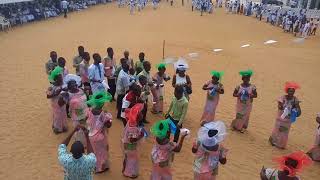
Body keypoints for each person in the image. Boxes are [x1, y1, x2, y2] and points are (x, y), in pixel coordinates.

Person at [86, 91, 113, 173]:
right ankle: (100, 168)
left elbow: (87, 120)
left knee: (95, 152)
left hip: (91, 135)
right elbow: (108, 125)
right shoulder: (104, 114)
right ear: (102, 103)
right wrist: (109, 120)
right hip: (100, 136)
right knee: (102, 152)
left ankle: (95, 166)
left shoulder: (90, 110)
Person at [269, 82, 301, 149]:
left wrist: (296, 111)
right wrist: (283, 107)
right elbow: (279, 106)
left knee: (284, 132)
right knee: (277, 130)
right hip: (280, 118)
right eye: (290, 91)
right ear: (287, 91)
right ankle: (273, 141)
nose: (291, 92)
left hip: (288, 119)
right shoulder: (282, 98)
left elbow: (298, 109)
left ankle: (281, 144)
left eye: (293, 91)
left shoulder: (295, 100)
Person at [63, 75, 88, 146]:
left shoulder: (81, 90)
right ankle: (80, 145)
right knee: (79, 131)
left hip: (86, 113)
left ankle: (86, 144)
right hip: (77, 117)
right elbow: (62, 103)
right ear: (68, 87)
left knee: (86, 129)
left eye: (74, 83)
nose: (74, 85)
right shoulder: (68, 94)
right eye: (71, 85)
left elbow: (87, 100)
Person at [122, 103, 145, 178]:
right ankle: (131, 173)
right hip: (131, 146)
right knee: (133, 159)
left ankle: (125, 170)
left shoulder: (130, 122)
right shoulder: (134, 127)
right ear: (137, 116)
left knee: (127, 158)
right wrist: (140, 136)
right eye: (141, 113)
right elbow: (132, 140)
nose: (142, 114)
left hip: (125, 144)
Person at [47, 67, 68, 134]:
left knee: (63, 114)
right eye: (60, 78)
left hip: (62, 102)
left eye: (61, 78)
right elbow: (48, 96)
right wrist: (56, 93)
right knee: (57, 116)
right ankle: (58, 129)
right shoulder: (51, 87)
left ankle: (64, 127)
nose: (61, 79)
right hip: (55, 104)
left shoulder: (62, 85)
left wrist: (65, 90)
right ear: (56, 79)